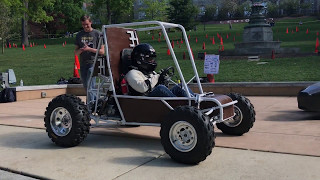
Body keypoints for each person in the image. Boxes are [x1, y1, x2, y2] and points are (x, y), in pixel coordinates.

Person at [125, 43, 193, 97]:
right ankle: (181, 106)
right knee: (160, 89)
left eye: (152, 59)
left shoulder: (150, 73)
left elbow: (156, 83)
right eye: (149, 59)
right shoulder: (132, 73)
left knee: (181, 86)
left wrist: (163, 80)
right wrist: (158, 77)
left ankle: (194, 100)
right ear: (139, 60)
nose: (152, 61)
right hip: (144, 102)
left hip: (155, 101)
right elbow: (143, 88)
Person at [74, 15, 104, 102]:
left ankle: (89, 106)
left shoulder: (97, 34)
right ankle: (97, 103)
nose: (85, 26)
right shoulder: (79, 35)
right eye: (83, 25)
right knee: (86, 86)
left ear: (91, 22)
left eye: (87, 24)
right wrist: (81, 49)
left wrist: (89, 49)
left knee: (90, 85)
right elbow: (76, 52)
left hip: (94, 63)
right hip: (83, 63)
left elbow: (102, 51)